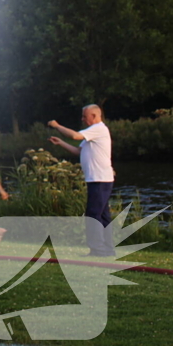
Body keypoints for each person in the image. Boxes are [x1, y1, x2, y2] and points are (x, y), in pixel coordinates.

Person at [49, 104, 116, 257]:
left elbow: (74, 136)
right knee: (103, 214)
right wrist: (61, 143)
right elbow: (78, 150)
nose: (82, 119)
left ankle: (98, 250)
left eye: (84, 116)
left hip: (100, 179)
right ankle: (107, 249)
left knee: (93, 214)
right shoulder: (93, 133)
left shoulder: (99, 128)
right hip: (97, 179)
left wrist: (57, 126)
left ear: (94, 116)